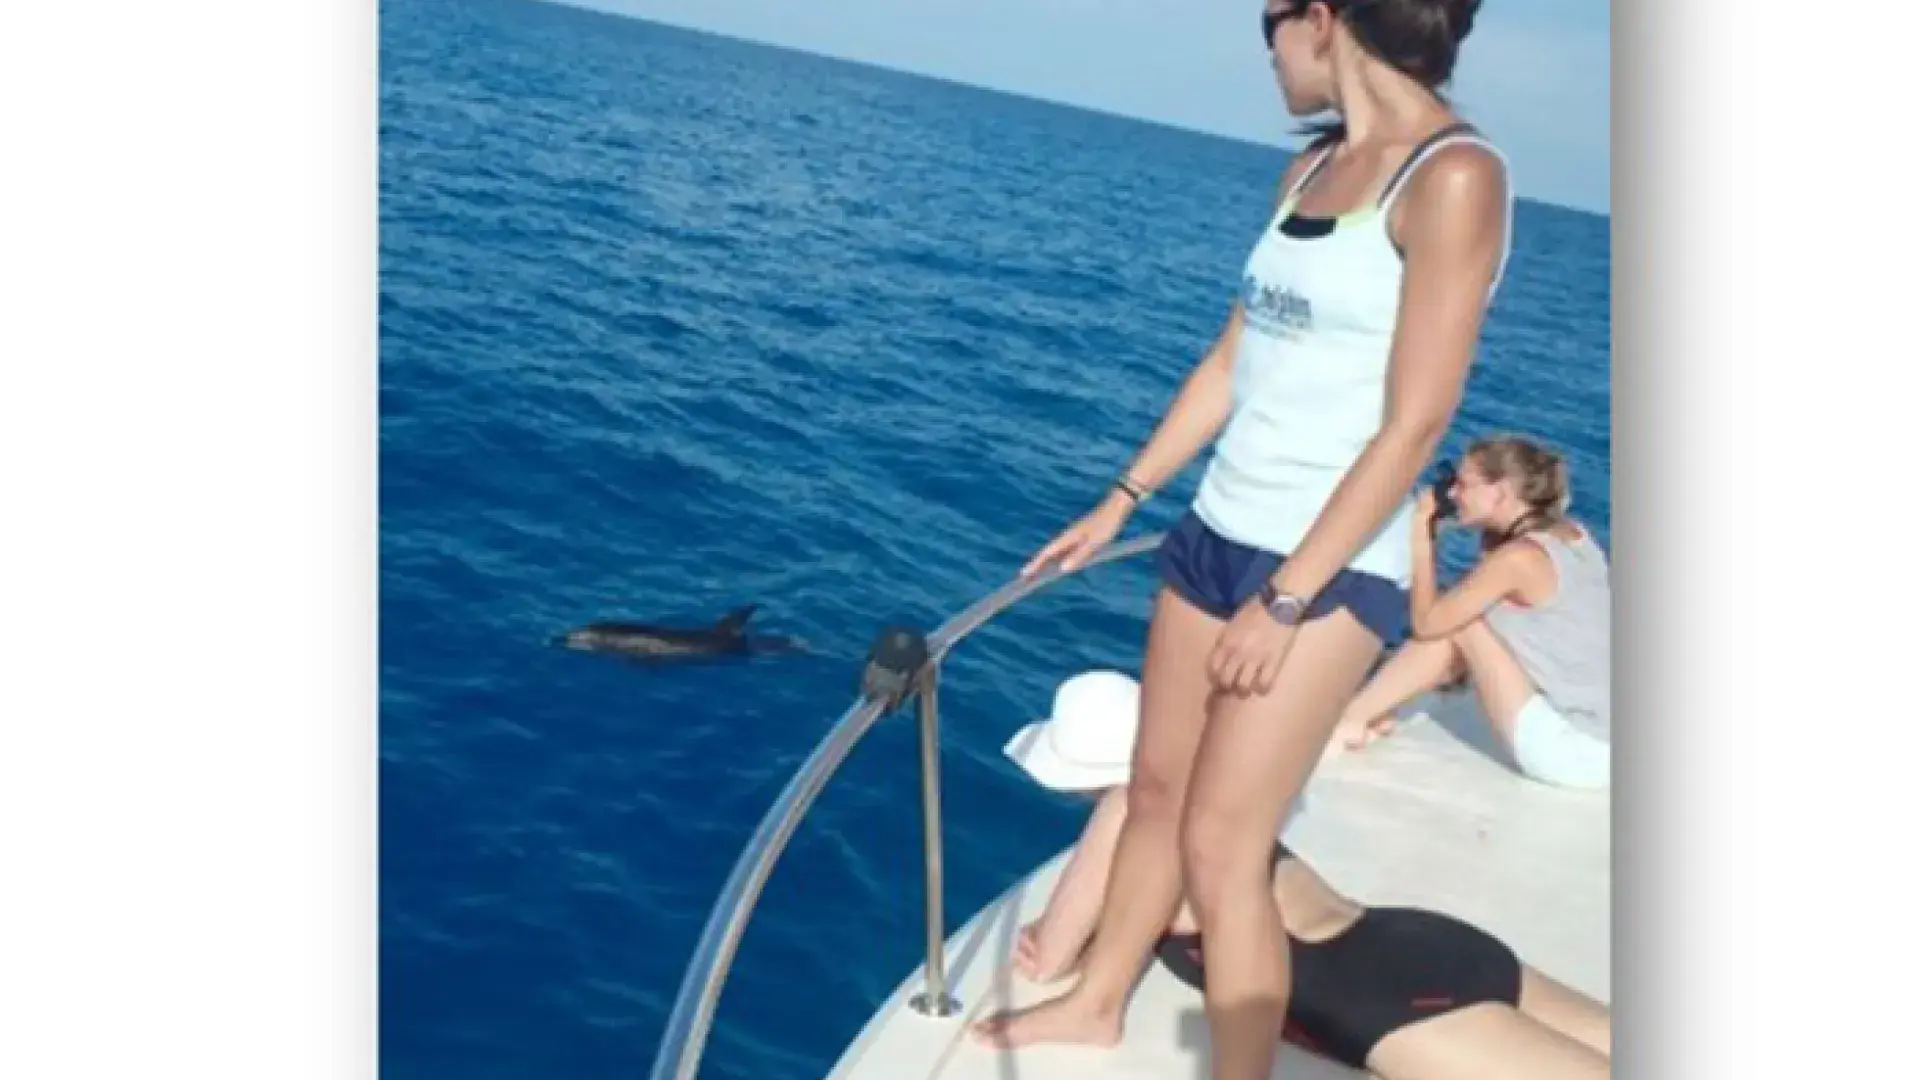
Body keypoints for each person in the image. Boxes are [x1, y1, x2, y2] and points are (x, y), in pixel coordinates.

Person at [972, 5, 1514, 1080]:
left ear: (1321, 16)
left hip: (1322, 568)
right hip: (1216, 532)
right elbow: (1231, 363)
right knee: (1159, 791)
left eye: (1267, 21)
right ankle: (1097, 1001)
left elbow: (1416, 422)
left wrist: (1288, 599)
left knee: (1225, 849)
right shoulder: (1311, 174)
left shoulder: (1453, 177)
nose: (1262, 50)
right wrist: (1123, 499)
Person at [999, 670, 1612, 1079]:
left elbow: (1049, 958)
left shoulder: (1127, 811)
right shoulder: (1219, 790)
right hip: (1418, 942)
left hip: (1379, 1002)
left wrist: (1070, 930)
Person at [1327, 436, 1611, 790]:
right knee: (1465, 614)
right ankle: (1373, 712)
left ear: (1500, 493)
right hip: (1606, 746)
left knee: (1462, 622)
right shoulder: (1574, 536)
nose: (1453, 494)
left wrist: (1422, 534)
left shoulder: (1518, 558)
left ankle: (1350, 721)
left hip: (1573, 753)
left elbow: (1428, 624)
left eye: (1463, 483)